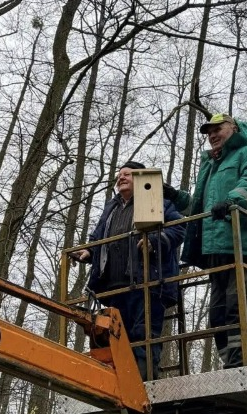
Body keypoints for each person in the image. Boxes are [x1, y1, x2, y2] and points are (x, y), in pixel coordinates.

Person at [171, 114, 247, 369]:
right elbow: (198, 205)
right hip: (216, 247)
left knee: (237, 308)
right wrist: (173, 196)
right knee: (217, 315)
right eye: (209, 131)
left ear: (235, 129)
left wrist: (232, 201)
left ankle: (242, 364)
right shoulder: (211, 165)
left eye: (218, 128)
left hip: (245, 245)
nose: (213, 134)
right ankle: (230, 362)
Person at [75, 161, 184, 380]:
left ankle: (144, 386)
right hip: (113, 287)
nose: (121, 177)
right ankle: (121, 384)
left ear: (141, 179)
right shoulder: (112, 207)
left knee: (143, 336)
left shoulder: (157, 201)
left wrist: (156, 241)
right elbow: (98, 237)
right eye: (119, 175)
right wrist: (89, 251)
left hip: (148, 283)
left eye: (127, 174)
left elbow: (179, 228)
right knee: (116, 338)